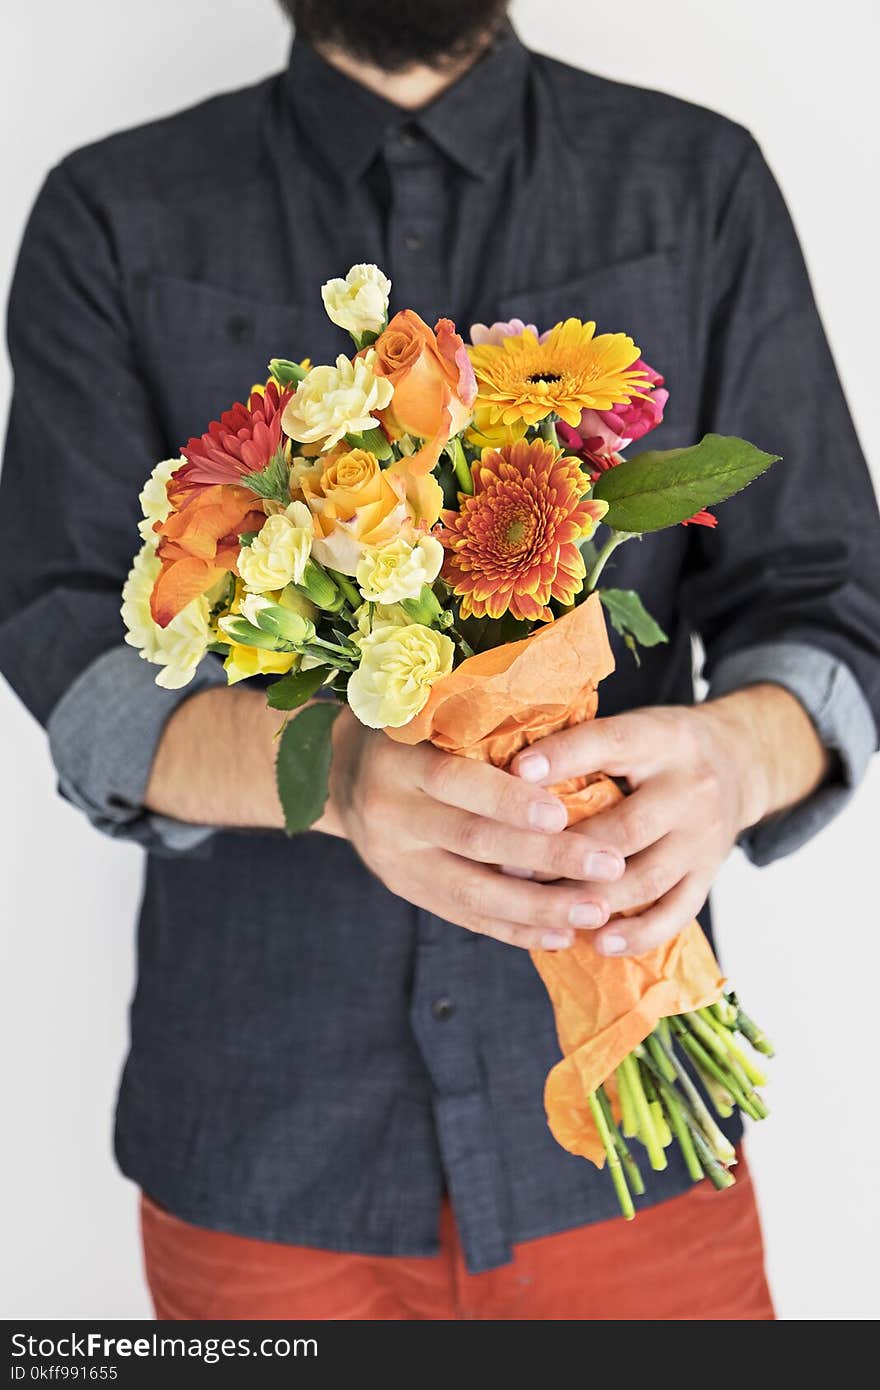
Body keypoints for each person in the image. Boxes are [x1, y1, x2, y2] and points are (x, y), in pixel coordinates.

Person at [1, 0, 878, 1321]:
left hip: (642, 1138)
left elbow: (831, 596)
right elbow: (74, 655)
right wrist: (338, 777)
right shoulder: (111, 212)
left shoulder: (698, 183)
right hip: (264, 1157)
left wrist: (728, 757)